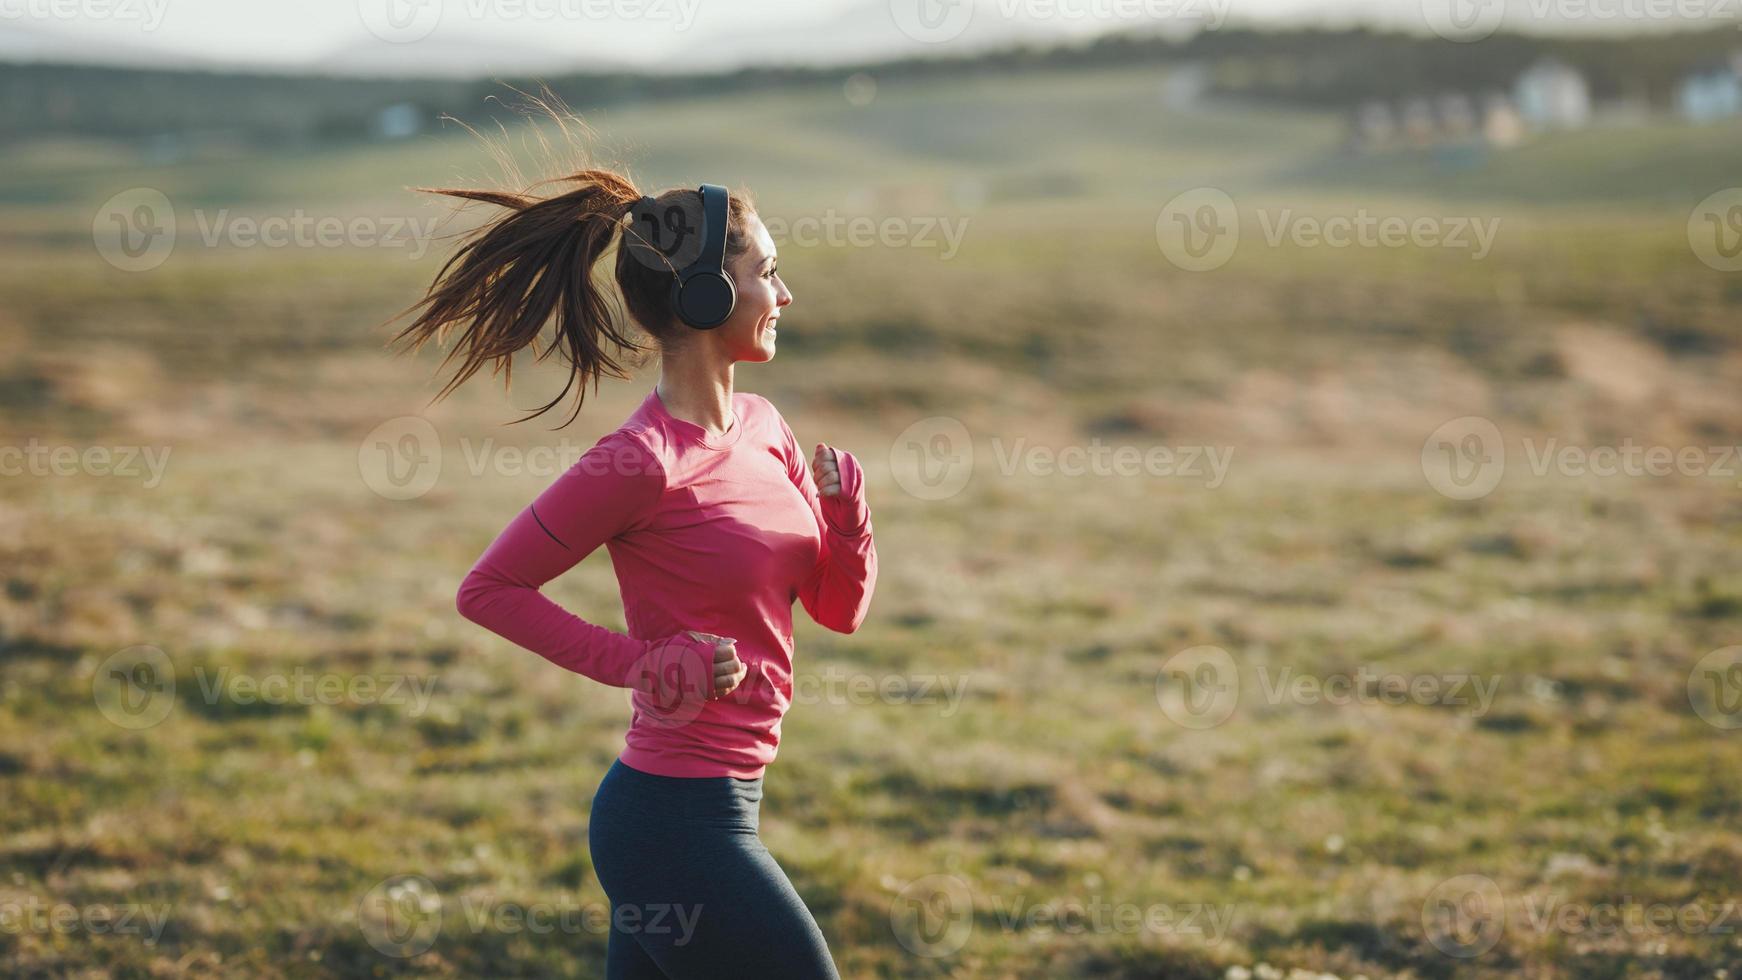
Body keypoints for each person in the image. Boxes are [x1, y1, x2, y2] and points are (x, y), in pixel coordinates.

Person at [391, 157, 875, 979]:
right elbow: (489, 591)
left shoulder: (766, 427)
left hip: (725, 804)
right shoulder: (639, 462)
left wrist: (847, 520)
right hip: (670, 825)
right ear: (707, 298)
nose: (785, 296)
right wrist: (645, 664)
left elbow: (837, 608)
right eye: (768, 273)